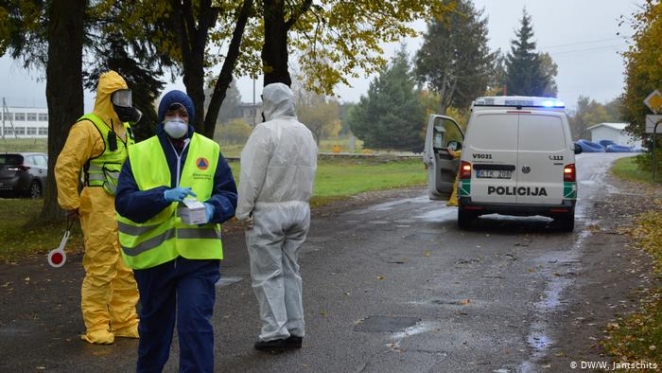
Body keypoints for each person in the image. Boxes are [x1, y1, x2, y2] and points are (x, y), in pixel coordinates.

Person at [115, 90, 237, 372]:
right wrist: (162, 196)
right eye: (171, 114)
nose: (177, 120)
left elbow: (228, 197)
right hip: (154, 260)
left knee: (195, 325)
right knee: (154, 331)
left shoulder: (209, 150)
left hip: (197, 259)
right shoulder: (140, 152)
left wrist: (211, 209)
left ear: (191, 118)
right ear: (162, 118)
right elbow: (124, 201)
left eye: (183, 114)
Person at [55, 70, 142, 345]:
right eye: (120, 96)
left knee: (126, 267)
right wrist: (70, 202)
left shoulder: (125, 129)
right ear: (108, 97)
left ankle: (125, 321)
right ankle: (97, 325)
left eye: (127, 96)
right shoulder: (87, 127)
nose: (125, 102)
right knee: (101, 267)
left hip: (123, 206)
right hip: (98, 207)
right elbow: (66, 165)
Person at [236, 82, 318, 353]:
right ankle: (296, 329)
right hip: (299, 210)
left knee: (267, 274)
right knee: (290, 271)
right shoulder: (305, 133)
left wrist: (243, 210)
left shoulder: (265, 132)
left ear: (269, 102)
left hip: (269, 212)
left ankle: (274, 333)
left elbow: (251, 176)